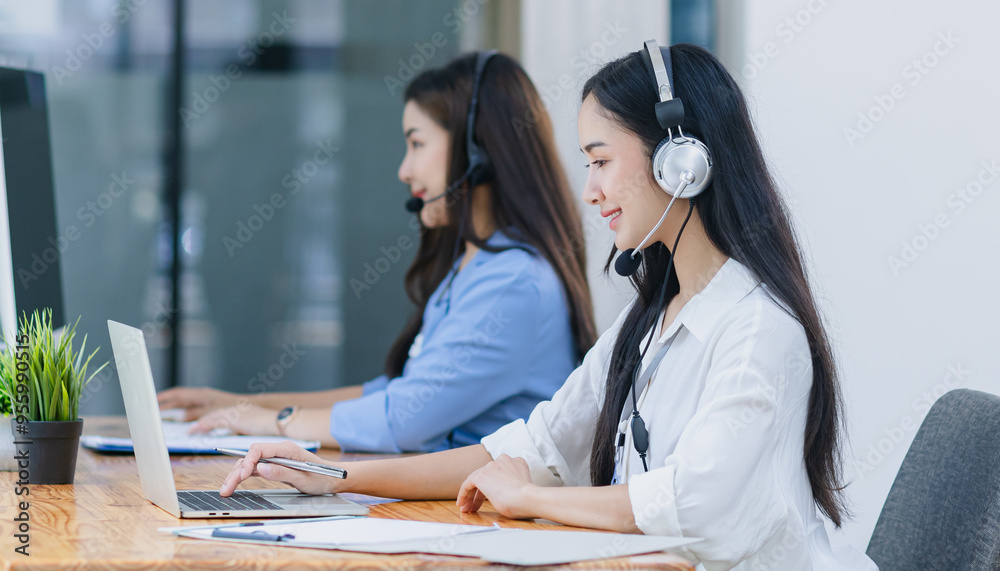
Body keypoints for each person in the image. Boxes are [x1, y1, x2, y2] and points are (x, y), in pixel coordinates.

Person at [214, 42, 876, 570]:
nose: (589, 190)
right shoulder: (647, 323)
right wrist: (331, 475)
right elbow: (531, 446)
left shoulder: (758, 329)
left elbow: (693, 505)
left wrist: (530, 496)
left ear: (681, 164)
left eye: (600, 161)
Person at [157, 51, 597, 453]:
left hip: (479, 524)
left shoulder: (511, 282)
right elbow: (393, 392)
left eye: (417, 144)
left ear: (475, 151)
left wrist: (273, 421)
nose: (405, 170)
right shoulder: (477, 266)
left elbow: (400, 420)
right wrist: (241, 405)